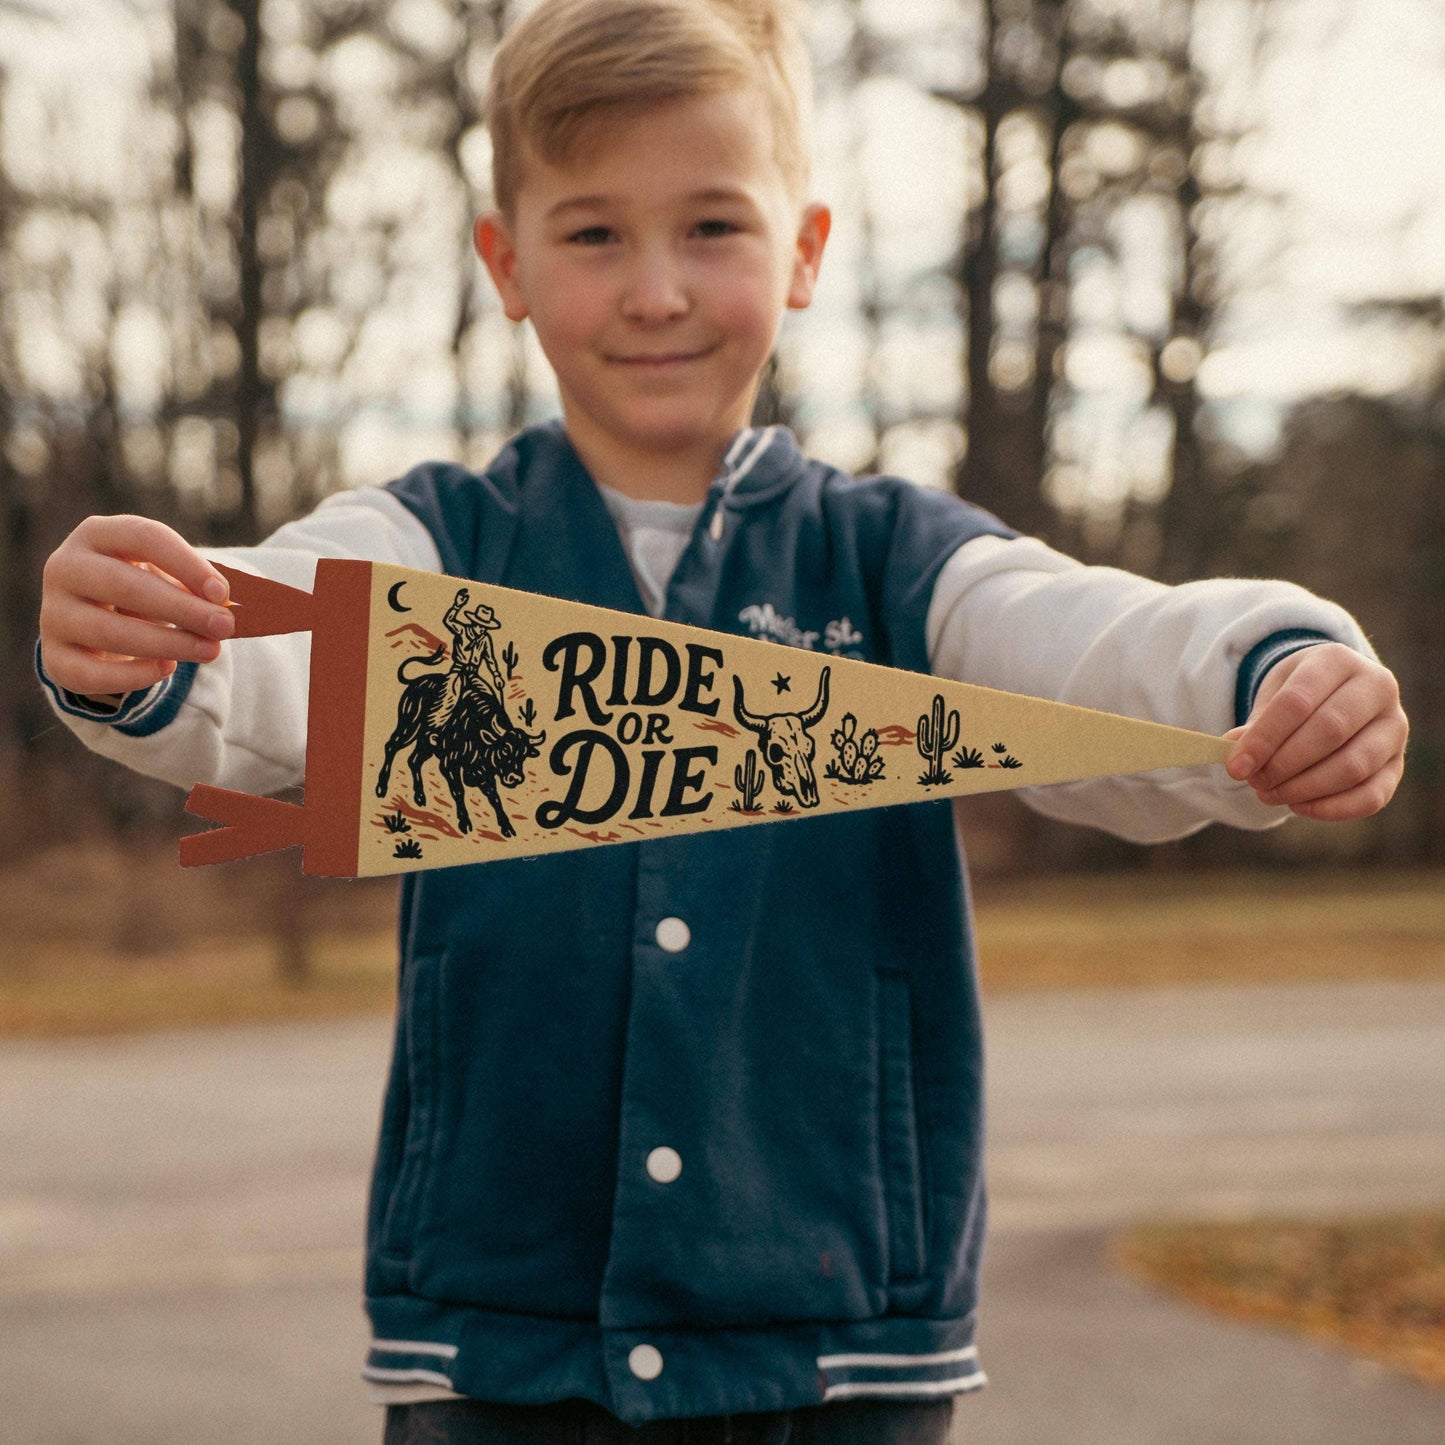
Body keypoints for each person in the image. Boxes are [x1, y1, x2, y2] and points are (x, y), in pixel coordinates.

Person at [36, 1, 1408, 1441]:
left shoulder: (892, 561)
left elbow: (1086, 645)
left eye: (709, 227)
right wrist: (152, 637)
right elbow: (276, 649)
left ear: (803, 250)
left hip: (835, 1357)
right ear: (503, 261)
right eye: (591, 234)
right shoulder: (437, 543)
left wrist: (1272, 663)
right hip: (500, 1351)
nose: (653, 291)